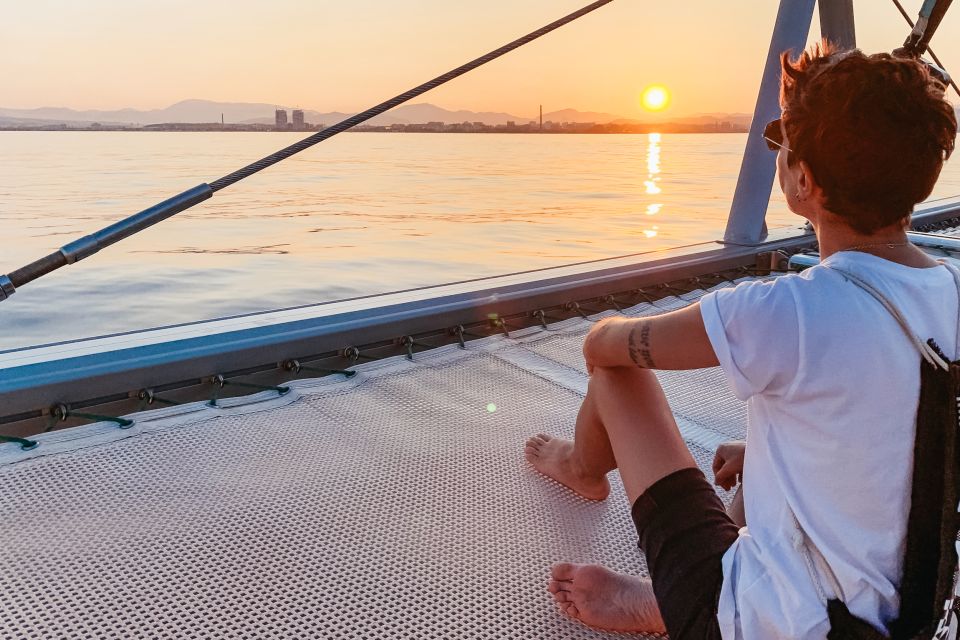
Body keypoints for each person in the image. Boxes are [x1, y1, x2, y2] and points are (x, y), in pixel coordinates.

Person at [524, 42, 958, 639]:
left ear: (804, 179)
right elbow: (904, 420)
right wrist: (769, 453)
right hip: (913, 620)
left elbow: (605, 346)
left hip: (779, 627)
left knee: (616, 377)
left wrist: (608, 330)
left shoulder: (787, 309)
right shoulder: (951, 288)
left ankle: (583, 472)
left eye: (782, 140)